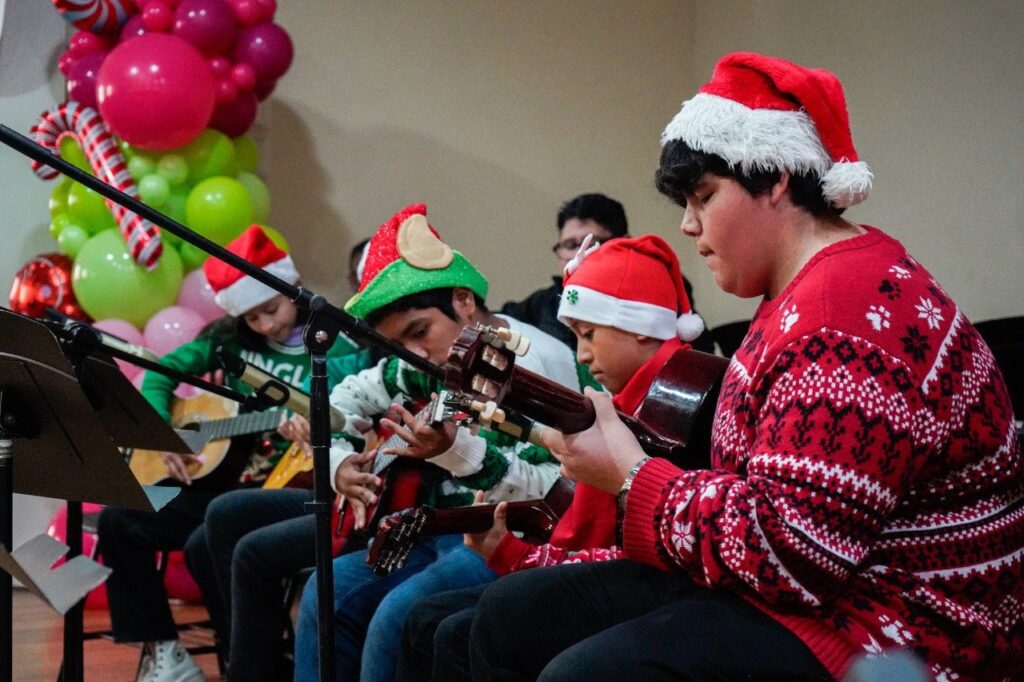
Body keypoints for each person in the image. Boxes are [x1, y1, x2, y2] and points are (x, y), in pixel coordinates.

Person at [463, 52, 1023, 681]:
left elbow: (791, 557)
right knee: (509, 616)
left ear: (775, 177)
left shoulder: (840, 314)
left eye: (704, 196)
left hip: (899, 623)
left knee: (586, 672)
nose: (689, 224)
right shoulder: (796, 294)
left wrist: (632, 474)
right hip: (817, 585)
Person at [286, 203, 591, 682]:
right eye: (398, 345)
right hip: (430, 526)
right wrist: (339, 466)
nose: (416, 354)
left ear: (464, 299)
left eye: (420, 332)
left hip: (501, 539)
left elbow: (554, 489)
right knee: (327, 592)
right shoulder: (419, 363)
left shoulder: (536, 365)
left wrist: (460, 454)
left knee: (395, 618)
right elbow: (341, 401)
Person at [396, 233, 705, 682]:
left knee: (462, 624)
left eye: (589, 334)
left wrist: (513, 553)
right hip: (608, 565)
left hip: (657, 580)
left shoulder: (671, 401)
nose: (581, 353)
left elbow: (622, 549)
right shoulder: (621, 401)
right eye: (577, 336)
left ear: (641, 325)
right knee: (429, 619)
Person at [97, 226, 361, 682]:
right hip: (224, 482)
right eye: (253, 318)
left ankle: (250, 661)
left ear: (292, 287)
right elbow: (157, 373)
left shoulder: (338, 348)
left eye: (271, 310)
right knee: (119, 518)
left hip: (293, 484)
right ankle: (164, 651)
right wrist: (164, 434)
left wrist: (317, 429)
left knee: (207, 543)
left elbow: (354, 415)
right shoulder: (231, 341)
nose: (265, 325)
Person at [500, 193, 628, 349]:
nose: (577, 255)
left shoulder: (641, 298)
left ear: (624, 244)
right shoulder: (542, 304)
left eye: (591, 244)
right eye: (569, 245)